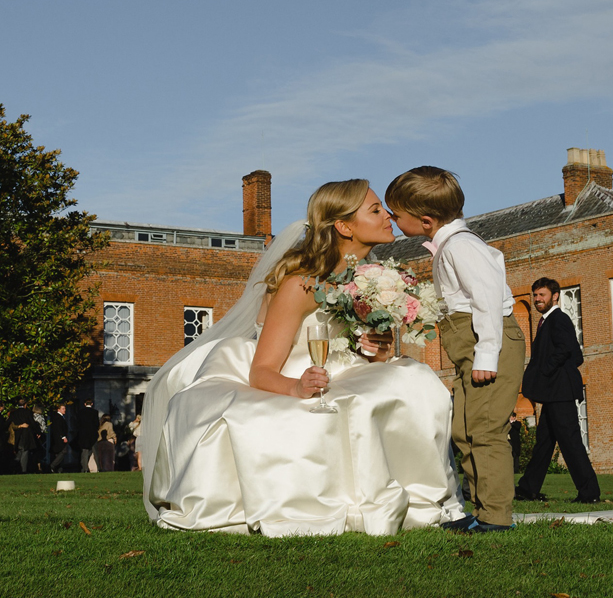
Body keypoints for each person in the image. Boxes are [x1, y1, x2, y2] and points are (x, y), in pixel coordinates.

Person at [142, 180, 463, 537]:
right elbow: (261, 371)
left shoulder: (371, 279)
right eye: (375, 210)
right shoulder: (302, 286)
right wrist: (297, 386)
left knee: (411, 377)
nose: (387, 215)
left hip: (345, 372)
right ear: (344, 226)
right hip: (291, 378)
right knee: (363, 398)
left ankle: (420, 497)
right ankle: (356, 504)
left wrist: (377, 349)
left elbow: (368, 354)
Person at [386, 166, 526, 533]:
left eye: (396, 214)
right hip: (471, 345)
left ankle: (496, 518)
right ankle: (481, 513)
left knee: (486, 429)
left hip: (488, 344)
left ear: (426, 220)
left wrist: (486, 356)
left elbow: (488, 299)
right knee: (465, 430)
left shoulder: (462, 246)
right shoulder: (449, 245)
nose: (392, 220)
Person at [515, 277, 600, 504]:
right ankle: (528, 488)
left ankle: (589, 492)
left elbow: (566, 350)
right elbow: (575, 354)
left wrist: (544, 371)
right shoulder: (546, 321)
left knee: (570, 441)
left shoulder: (558, 319)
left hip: (559, 391)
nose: (537, 299)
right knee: (544, 442)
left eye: (541, 295)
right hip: (553, 392)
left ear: (555, 296)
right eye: (534, 295)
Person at [8, 398, 36, 473]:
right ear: (25, 404)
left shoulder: (14, 413)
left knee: (20, 451)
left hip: (16, 435)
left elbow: (9, 423)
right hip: (26, 435)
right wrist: (37, 432)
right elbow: (32, 423)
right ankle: (23, 470)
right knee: (24, 452)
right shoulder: (27, 412)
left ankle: (14, 467)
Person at [76, 400, 101, 473]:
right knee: (95, 452)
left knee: (84, 452)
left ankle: (85, 468)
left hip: (83, 435)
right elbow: (97, 424)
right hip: (92, 435)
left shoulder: (80, 412)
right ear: (92, 404)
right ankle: (99, 468)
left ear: (84, 404)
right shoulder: (95, 412)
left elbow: (78, 424)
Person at [50, 404, 69, 473]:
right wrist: (63, 436)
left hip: (58, 438)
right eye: (63, 409)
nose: (65, 410)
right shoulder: (58, 417)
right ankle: (53, 465)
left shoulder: (59, 417)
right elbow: (59, 428)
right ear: (59, 409)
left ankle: (59, 469)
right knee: (63, 451)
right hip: (59, 438)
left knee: (59, 453)